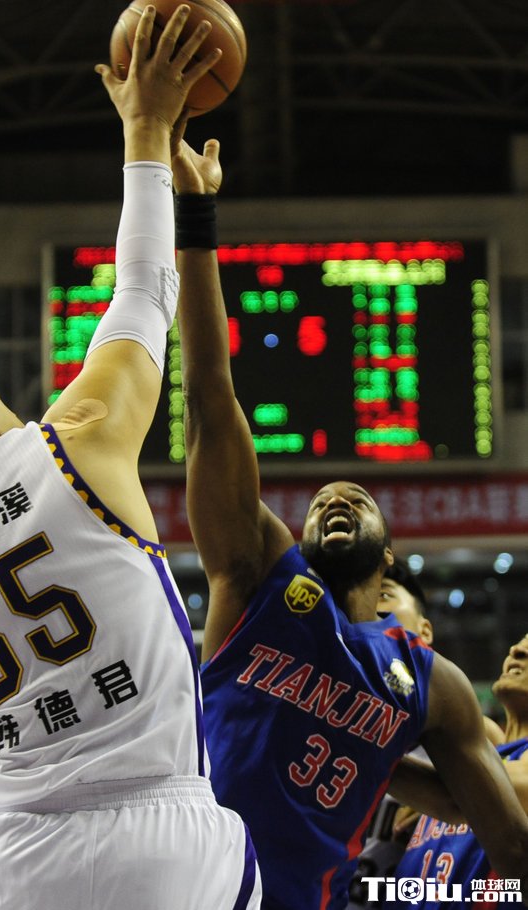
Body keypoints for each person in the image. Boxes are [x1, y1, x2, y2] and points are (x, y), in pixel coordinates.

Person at [0, 8, 260, 910]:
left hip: (12, 870)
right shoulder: (68, 447)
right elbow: (142, 290)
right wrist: (146, 128)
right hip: (163, 849)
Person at [169, 127, 528, 910]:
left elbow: (508, 844)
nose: (336, 499)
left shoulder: (430, 684)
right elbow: (208, 398)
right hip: (188, 889)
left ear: (388, 555)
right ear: (292, 541)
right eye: (320, 502)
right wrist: (194, 216)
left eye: (357, 500)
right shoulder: (253, 581)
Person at [348, 564, 505, 909]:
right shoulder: (321, 711)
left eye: (384, 594)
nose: (371, 606)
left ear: (425, 629)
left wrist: (456, 812)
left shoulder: (469, 732)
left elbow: (506, 834)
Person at [380, 633, 528, 909]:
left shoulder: (463, 778)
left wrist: (358, 743)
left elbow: (461, 793)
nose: (516, 650)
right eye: (518, 644)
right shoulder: (483, 758)